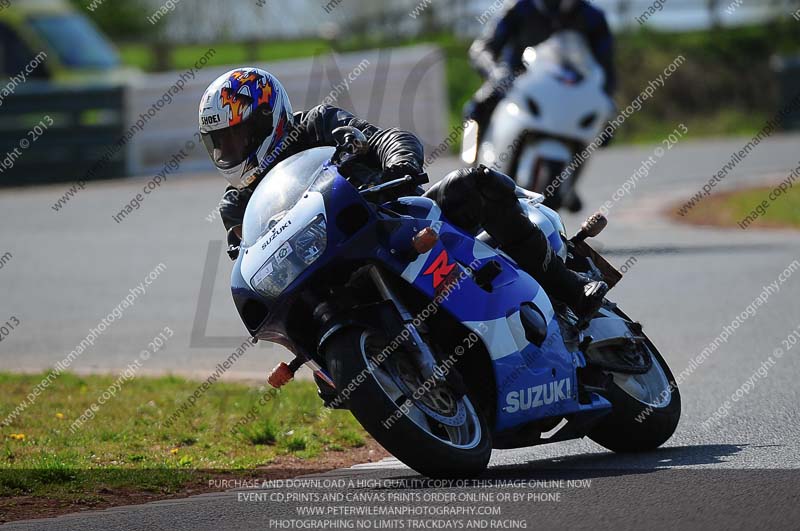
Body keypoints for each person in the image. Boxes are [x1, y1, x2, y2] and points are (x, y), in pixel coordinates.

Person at [198, 67, 607, 319]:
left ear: (269, 119)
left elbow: (387, 138)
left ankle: (568, 288)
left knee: (475, 182)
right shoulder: (236, 204)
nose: (229, 151)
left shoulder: (318, 125)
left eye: (237, 136)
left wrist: (400, 165)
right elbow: (249, 253)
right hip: (331, 271)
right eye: (220, 142)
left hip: (399, 221)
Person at [466, 0, 616, 211]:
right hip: (516, 83)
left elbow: (606, 66)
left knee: (607, 129)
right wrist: (495, 71)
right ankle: (471, 173)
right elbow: (483, 48)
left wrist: (606, 96)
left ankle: (570, 184)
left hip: (571, 91)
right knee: (477, 107)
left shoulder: (593, 17)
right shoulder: (519, 7)